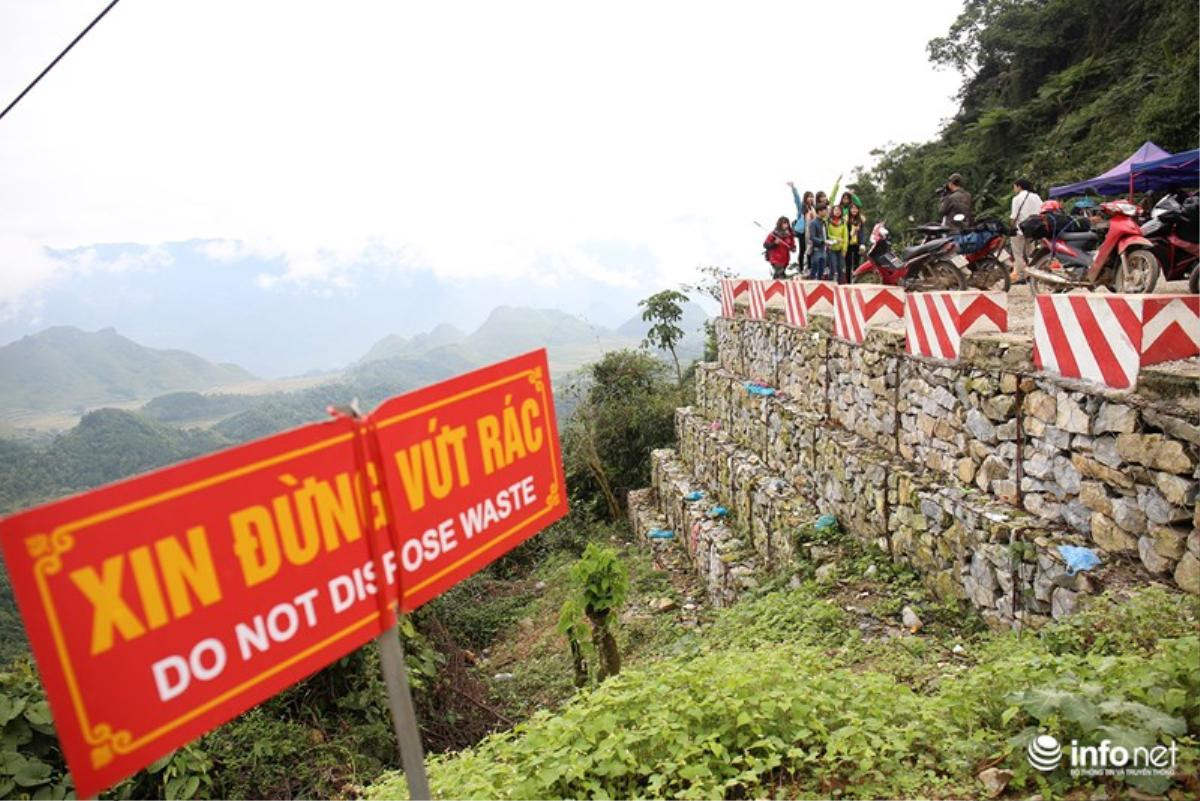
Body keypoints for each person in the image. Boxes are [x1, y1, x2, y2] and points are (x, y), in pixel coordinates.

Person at [1009, 178, 1043, 281]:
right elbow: (1042, 210)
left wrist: (1011, 227)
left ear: (1019, 186)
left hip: (1020, 230)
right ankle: (1032, 274)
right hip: (1034, 229)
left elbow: (1014, 217)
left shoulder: (1017, 198)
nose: (1014, 189)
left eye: (1014, 186)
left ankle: (1020, 276)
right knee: (1031, 253)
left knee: (1018, 253)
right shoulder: (1036, 197)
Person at [787, 182, 813, 272]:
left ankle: (809, 267)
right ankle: (801, 268)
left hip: (811, 231)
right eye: (808, 196)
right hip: (802, 231)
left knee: (810, 249)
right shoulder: (801, 207)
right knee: (803, 249)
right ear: (805, 198)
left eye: (811, 196)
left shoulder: (813, 208)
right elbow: (797, 199)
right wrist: (793, 188)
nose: (810, 198)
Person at [826, 205, 848, 283]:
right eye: (835, 210)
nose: (837, 212)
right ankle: (830, 284)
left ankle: (840, 285)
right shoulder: (828, 221)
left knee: (841, 268)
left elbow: (845, 236)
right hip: (831, 248)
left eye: (839, 210)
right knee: (833, 267)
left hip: (840, 249)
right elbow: (827, 234)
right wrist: (835, 238)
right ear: (832, 211)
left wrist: (844, 249)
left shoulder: (843, 222)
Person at [808, 204, 829, 280]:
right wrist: (823, 241)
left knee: (822, 269)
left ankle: (819, 282)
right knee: (815, 268)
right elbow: (812, 237)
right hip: (816, 249)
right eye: (824, 210)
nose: (826, 212)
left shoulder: (824, 222)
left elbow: (826, 235)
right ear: (819, 211)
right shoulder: (813, 223)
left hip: (824, 249)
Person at [845, 205, 866, 278]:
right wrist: (852, 232)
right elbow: (845, 233)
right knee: (848, 264)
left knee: (856, 264)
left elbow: (862, 232)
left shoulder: (861, 220)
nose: (854, 210)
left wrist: (862, 243)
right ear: (850, 210)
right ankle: (848, 282)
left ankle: (855, 280)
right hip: (848, 244)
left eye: (856, 209)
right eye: (852, 209)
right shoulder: (846, 220)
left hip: (857, 244)